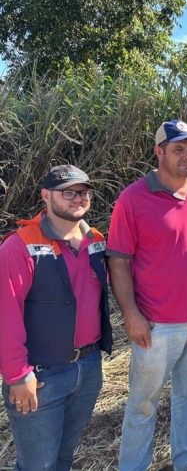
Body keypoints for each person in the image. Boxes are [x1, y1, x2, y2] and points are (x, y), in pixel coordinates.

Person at [107, 120, 187, 471]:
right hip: (156, 323)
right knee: (143, 403)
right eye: (178, 150)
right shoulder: (133, 199)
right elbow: (118, 262)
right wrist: (131, 315)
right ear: (159, 152)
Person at [0, 165, 112, 471]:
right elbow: (5, 313)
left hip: (88, 366)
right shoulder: (20, 245)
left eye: (84, 192)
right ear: (46, 196)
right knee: (38, 465)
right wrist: (17, 376)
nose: (78, 198)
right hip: (40, 376)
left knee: (64, 456)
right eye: (68, 192)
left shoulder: (96, 241)